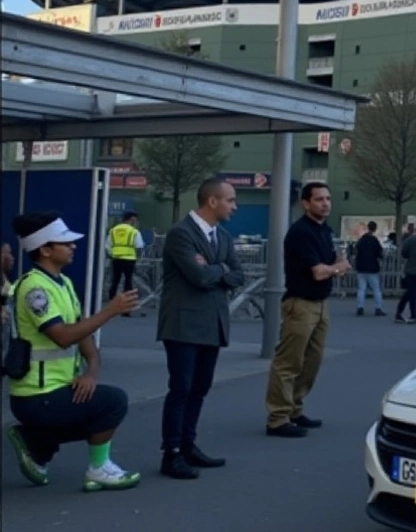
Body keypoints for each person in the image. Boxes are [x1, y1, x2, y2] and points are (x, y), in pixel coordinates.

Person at [5, 211, 142, 491]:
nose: (73, 246)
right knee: (114, 401)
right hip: (35, 395)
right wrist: (110, 310)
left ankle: (37, 443)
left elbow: (84, 337)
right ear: (45, 249)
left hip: (57, 390)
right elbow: (63, 337)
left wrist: (91, 372)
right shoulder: (34, 288)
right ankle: (98, 469)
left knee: (96, 400)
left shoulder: (64, 284)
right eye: (65, 242)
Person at [157, 178, 243, 479]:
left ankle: (188, 443)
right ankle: (172, 452)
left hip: (212, 324)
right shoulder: (181, 234)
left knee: (200, 387)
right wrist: (221, 270)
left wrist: (215, 269)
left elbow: (239, 274)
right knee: (181, 387)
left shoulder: (224, 237)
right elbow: (197, 276)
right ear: (213, 201)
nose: (235, 206)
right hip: (183, 325)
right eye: (230, 200)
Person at [265, 182, 349, 438]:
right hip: (300, 304)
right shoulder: (301, 232)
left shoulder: (324, 230)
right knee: (289, 361)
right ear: (306, 203)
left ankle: (295, 409)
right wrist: (337, 268)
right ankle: (277, 417)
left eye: (328, 199)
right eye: (319, 199)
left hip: (321, 304)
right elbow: (319, 271)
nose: (325, 203)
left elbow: (331, 264)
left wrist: (335, 266)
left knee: (311, 362)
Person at [106, 211, 145, 317]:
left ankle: (111, 306)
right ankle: (126, 310)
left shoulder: (113, 230)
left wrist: (113, 254)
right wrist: (138, 258)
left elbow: (108, 246)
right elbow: (139, 246)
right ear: (131, 219)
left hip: (116, 259)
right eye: (135, 220)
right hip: (129, 259)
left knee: (115, 281)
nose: (135, 222)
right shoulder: (134, 231)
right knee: (128, 283)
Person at [353, 221, 387, 317]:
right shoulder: (374, 241)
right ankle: (378, 308)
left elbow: (356, 251)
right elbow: (380, 254)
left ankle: (360, 307)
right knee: (376, 289)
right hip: (372, 267)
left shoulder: (361, 240)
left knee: (361, 289)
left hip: (361, 267)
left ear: (368, 228)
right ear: (375, 229)